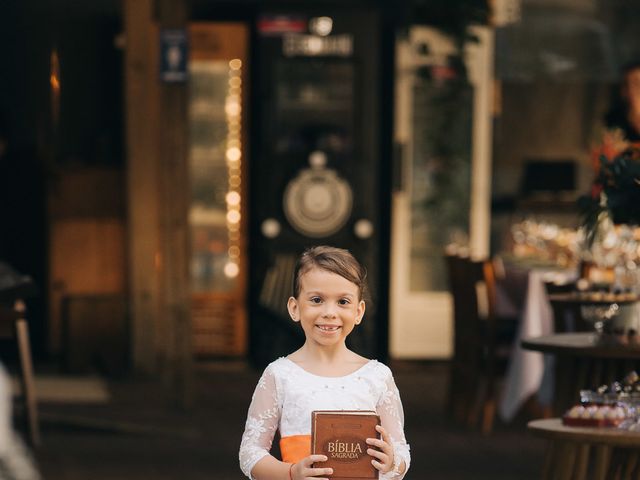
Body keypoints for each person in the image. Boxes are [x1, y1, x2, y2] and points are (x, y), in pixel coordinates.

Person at [239, 246, 410, 480]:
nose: (330, 312)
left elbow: (401, 451)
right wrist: (290, 472)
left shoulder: (377, 377)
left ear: (359, 311)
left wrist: (392, 463)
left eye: (343, 302)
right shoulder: (279, 375)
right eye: (317, 300)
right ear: (295, 308)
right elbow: (250, 452)